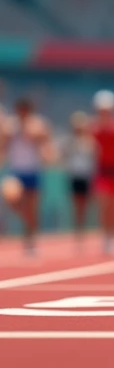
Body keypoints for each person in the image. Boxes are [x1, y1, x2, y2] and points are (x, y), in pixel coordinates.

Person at [0, 99, 53, 254]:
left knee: (33, 208)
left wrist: (30, 132)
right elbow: (4, 143)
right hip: (16, 171)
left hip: (33, 171)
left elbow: (44, 139)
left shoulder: (38, 123)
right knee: (10, 197)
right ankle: (27, 222)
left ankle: (30, 241)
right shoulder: (11, 124)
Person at [91, 90, 114, 254]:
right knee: (104, 206)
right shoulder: (94, 129)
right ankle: (106, 237)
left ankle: (113, 236)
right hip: (102, 171)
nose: (104, 113)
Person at [62, 111, 96, 246]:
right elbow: (64, 155)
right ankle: (78, 231)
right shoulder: (70, 141)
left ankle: (82, 231)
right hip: (74, 176)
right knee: (76, 205)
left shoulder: (90, 141)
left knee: (85, 205)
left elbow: (94, 158)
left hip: (86, 176)